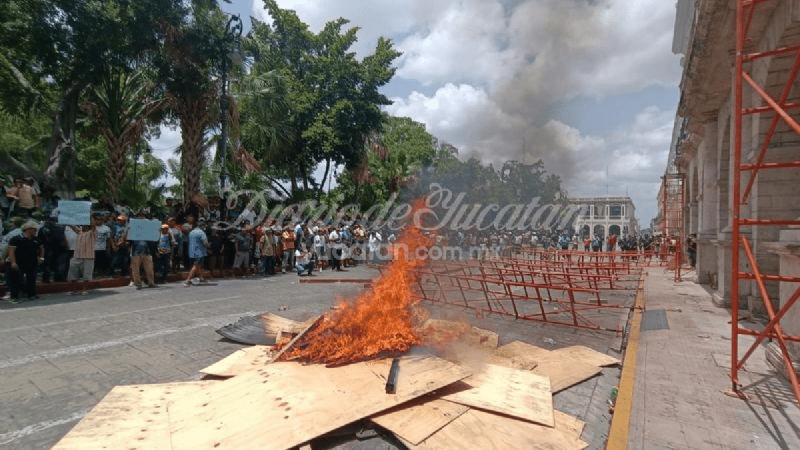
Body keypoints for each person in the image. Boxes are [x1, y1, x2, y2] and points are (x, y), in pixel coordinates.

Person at [6, 220, 43, 302]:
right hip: (19, 262)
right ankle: (15, 297)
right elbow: (11, 251)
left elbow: (41, 248)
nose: (34, 231)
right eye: (33, 229)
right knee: (16, 279)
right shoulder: (17, 239)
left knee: (31, 279)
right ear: (27, 229)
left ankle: (31, 294)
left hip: (32, 262)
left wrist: (41, 258)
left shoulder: (36, 239)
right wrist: (13, 262)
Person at [67, 223, 96, 295]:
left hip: (88, 257)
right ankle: (74, 290)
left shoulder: (92, 233)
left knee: (86, 275)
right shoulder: (79, 233)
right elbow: (73, 226)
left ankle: (84, 289)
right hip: (77, 256)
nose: (82, 227)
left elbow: (94, 226)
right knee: (72, 273)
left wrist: (90, 216)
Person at [184, 218, 210, 287]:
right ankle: (188, 280)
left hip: (192, 251)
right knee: (195, 266)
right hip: (200, 252)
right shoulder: (202, 233)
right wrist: (208, 247)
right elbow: (205, 243)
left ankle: (201, 278)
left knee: (200, 265)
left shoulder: (191, 232)